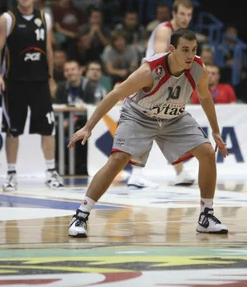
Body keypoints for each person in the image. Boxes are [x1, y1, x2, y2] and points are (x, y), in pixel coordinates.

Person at [67, 29, 229, 237]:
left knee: (207, 152)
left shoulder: (199, 68)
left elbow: (205, 97)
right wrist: (88, 126)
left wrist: (215, 131)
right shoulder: (150, 70)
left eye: (194, 50)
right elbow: (116, 93)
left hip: (174, 117)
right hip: (139, 115)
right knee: (118, 159)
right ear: (172, 50)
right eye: (185, 50)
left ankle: (206, 216)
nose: (190, 55)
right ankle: (81, 215)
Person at [0, 0, 63, 191]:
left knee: (48, 128)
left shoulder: (44, 18)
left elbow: (48, 49)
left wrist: (50, 78)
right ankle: (11, 174)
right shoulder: (8, 19)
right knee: (13, 131)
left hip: (40, 81)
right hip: (15, 82)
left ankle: (51, 172)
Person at [127, 0, 197, 189]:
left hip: (167, 85)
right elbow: (159, 59)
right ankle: (137, 174)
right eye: (182, 13)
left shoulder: (184, 35)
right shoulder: (165, 30)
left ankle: (179, 172)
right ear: (173, 14)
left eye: (189, 15)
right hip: (152, 82)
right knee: (148, 127)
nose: (185, 18)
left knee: (164, 129)